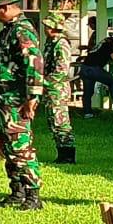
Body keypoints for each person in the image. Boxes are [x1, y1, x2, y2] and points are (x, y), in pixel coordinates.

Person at [0, 0, 44, 210]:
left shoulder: (22, 30)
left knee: (21, 146)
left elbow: (34, 64)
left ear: (9, 7)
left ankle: (33, 195)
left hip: (16, 99)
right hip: (4, 98)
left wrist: (33, 97)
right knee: (8, 146)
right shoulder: (7, 30)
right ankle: (17, 191)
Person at [41, 12, 76, 162]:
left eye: (48, 26)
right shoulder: (50, 42)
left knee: (60, 121)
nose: (45, 29)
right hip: (51, 89)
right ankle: (61, 153)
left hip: (57, 89)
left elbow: (61, 70)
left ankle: (67, 155)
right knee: (53, 121)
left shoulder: (61, 44)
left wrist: (44, 82)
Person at [76, 31, 113, 117]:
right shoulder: (111, 45)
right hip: (94, 69)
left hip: (85, 68)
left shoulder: (107, 40)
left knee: (88, 92)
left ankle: (87, 112)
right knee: (112, 81)